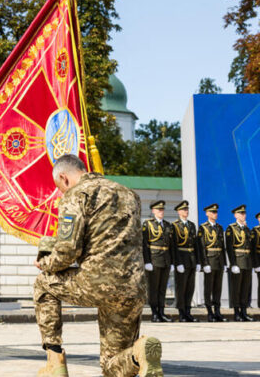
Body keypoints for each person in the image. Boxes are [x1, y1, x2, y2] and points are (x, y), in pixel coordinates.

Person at [33, 154, 162, 377]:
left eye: (60, 187)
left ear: (64, 178)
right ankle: (138, 354)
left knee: (44, 283)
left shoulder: (76, 195)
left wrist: (45, 263)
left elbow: (68, 251)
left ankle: (55, 362)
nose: (61, 193)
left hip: (97, 283)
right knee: (112, 365)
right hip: (133, 288)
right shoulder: (129, 194)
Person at [142, 200, 175, 322]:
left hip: (165, 260)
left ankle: (162, 312)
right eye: (159, 210)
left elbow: (171, 245)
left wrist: (172, 262)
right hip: (154, 259)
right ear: (153, 211)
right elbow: (145, 244)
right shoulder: (148, 224)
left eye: (162, 210)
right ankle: (154, 313)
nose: (161, 212)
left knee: (162, 288)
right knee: (153, 288)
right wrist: (147, 261)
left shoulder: (167, 225)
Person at [197, 203, 227, 322]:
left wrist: (224, 263)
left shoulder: (219, 227)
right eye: (213, 212)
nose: (215, 214)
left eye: (216, 212)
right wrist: (205, 263)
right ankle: (209, 312)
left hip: (219, 261)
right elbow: (202, 247)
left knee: (217, 288)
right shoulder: (203, 228)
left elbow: (222, 246)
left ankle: (217, 311)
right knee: (208, 288)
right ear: (207, 214)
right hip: (209, 260)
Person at [171, 200, 199, 322]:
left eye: (187, 210)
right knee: (181, 287)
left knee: (190, 287)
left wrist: (198, 262)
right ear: (178, 212)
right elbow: (174, 246)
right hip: (181, 259)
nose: (186, 212)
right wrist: (177, 263)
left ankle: (188, 311)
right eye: (183, 210)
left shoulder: (191, 225)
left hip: (191, 259)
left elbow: (196, 245)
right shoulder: (175, 226)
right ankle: (181, 312)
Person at [225, 205, 253, 322]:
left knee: (245, 288)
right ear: (235, 215)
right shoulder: (231, 228)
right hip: (237, 261)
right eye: (240, 213)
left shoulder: (247, 229)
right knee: (236, 289)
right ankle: (236, 312)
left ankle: (244, 311)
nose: (243, 215)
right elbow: (230, 248)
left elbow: (251, 246)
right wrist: (233, 263)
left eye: (244, 213)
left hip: (247, 262)